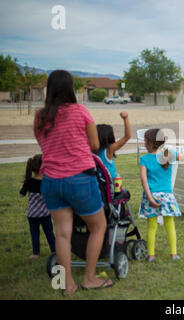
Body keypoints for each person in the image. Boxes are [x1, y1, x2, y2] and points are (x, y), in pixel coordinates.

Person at [34, 70, 113, 296]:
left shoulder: (40, 116)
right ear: (70, 89)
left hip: (50, 180)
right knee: (98, 226)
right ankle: (89, 278)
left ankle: (67, 283)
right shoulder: (80, 111)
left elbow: (44, 144)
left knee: (62, 233)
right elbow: (95, 144)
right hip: (79, 178)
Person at [139, 128, 184, 262]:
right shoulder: (169, 154)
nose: (144, 144)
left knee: (152, 226)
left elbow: (144, 181)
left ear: (150, 143)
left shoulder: (144, 159)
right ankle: (173, 254)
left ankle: (151, 255)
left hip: (151, 196)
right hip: (167, 197)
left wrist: (149, 198)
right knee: (170, 224)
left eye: (145, 141)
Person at [19, 154, 56, 259]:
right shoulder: (48, 182)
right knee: (49, 233)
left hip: (33, 215)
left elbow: (21, 194)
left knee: (35, 234)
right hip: (46, 214)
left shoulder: (29, 182)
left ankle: (36, 253)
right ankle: (54, 251)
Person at [96, 111, 131, 192]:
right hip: (112, 183)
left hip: (98, 182)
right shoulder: (108, 150)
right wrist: (125, 119)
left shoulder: (93, 150)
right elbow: (127, 137)